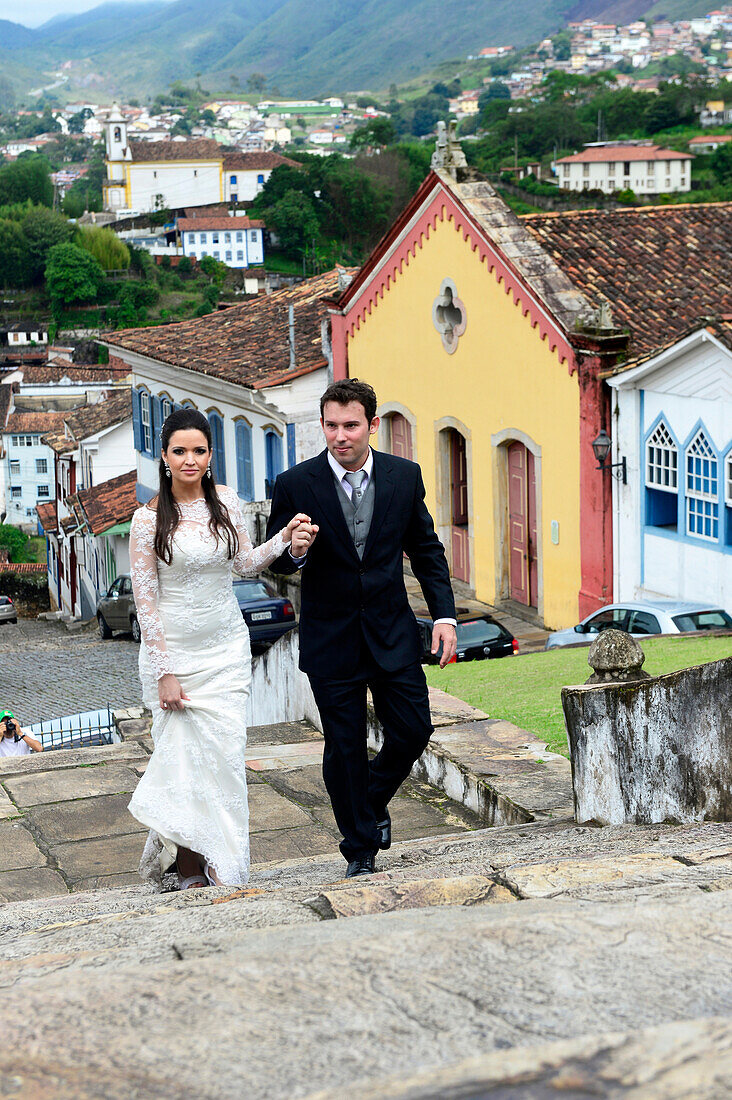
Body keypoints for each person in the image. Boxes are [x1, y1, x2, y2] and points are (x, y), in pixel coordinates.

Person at [267, 379, 457, 878]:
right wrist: (297, 549)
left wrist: (444, 616)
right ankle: (359, 849)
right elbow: (278, 564)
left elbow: (427, 550)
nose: (339, 436)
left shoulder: (403, 476)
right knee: (344, 744)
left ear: (372, 425)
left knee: (415, 729)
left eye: (350, 426)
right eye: (330, 426)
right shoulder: (294, 484)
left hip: (392, 630)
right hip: (331, 639)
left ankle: (369, 802)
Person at [127, 408, 312, 891]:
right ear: (164, 457)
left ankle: (222, 863)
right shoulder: (147, 521)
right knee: (184, 759)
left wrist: (284, 539)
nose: (190, 459)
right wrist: (165, 671)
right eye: (180, 451)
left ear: (211, 455)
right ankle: (190, 867)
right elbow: (146, 603)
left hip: (226, 649)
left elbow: (245, 565)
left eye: (199, 450)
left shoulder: (226, 502)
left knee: (225, 756)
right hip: (176, 659)